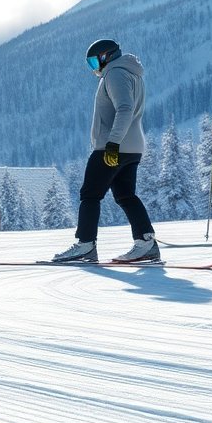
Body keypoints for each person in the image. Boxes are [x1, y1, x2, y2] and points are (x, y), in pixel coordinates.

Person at [52, 39, 158, 263]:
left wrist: (112, 143)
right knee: (126, 195)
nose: (94, 69)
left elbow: (125, 108)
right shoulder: (132, 73)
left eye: (93, 62)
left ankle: (85, 245)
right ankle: (146, 242)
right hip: (132, 147)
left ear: (105, 57)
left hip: (113, 147)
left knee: (90, 194)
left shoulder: (115, 74)